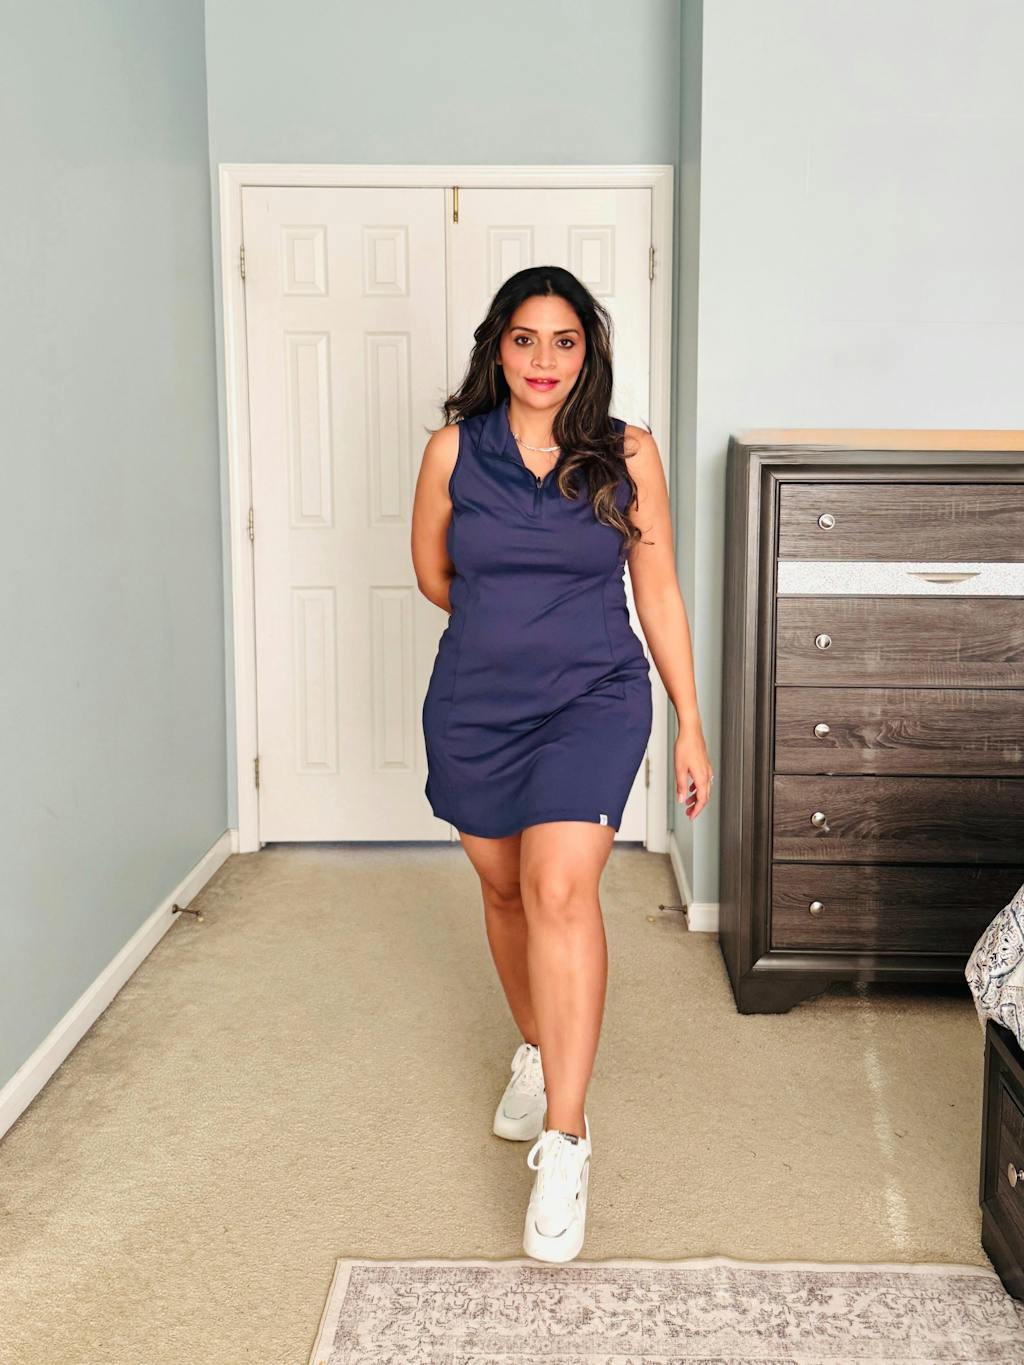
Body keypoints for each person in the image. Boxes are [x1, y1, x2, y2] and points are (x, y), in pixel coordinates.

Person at [410, 265, 712, 1263]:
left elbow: (657, 589)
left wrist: (689, 721)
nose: (544, 360)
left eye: (565, 340)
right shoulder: (454, 450)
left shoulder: (628, 452)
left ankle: (567, 1139)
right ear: (497, 347)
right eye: (525, 339)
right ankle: (538, 1050)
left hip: (595, 698)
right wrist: (510, 624)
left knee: (556, 889)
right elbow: (435, 575)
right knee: (504, 892)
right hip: (476, 706)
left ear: (590, 351)